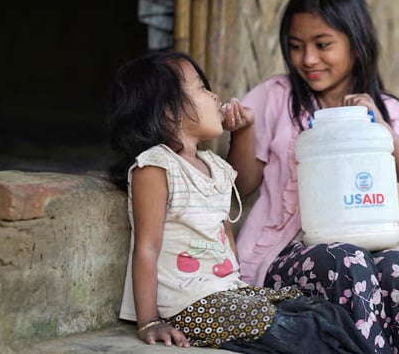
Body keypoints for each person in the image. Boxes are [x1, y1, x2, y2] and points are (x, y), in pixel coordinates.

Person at [225, 0, 399, 353]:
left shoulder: (384, 109)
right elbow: (241, 186)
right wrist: (242, 133)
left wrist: (383, 129)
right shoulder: (277, 97)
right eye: (296, 47)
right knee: (350, 260)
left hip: (364, 253)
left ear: (356, 45)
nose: (308, 59)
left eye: (323, 45)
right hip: (283, 256)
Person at [107, 51, 372, 353]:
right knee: (298, 329)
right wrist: (149, 321)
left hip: (228, 292)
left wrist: (245, 130)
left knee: (322, 313)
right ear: (168, 110)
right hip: (189, 304)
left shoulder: (212, 165)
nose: (214, 95)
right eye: (202, 88)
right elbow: (146, 247)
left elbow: (227, 222)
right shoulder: (155, 167)